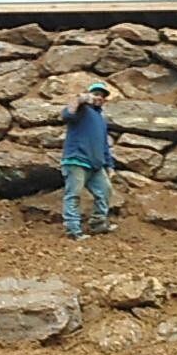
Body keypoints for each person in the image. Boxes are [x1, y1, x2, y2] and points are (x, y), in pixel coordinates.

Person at [60, 82, 116, 241]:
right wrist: (80, 99)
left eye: (103, 96)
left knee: (105, 191)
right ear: (90, 94)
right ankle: (73, 231)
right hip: (76, 160)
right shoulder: (82, 110)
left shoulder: (100, 119)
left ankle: (98, 224)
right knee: (73, 195)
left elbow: (104, 145)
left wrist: (109, 165)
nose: (99, 97)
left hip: (95, 164)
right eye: (96, 94)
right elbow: (67, 114)